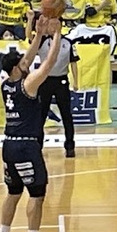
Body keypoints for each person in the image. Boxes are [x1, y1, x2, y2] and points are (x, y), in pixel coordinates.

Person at [0, 15, 63, 232]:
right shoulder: (28, 85)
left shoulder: (6, 83)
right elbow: (49, 63)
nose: (27, 63)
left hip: (8, 145)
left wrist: (39, 34)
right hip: (26, 146)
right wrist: (56, 34)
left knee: (13, 192)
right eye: (23, 63)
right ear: (16, 68)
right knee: (37, 193)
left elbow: (29, 59)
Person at [28, 14, 79, 158]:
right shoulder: (43, 40)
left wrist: (76, 81)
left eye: (56, 24)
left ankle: (70, 146)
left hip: (61, 81)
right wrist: (30, 20)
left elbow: (73, 62)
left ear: (61, 26)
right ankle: (38, 145)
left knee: (66, 115)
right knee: (41, 114)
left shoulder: (68, 43)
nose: (53, 27)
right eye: (50, 24)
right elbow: (29, 37)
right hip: (44, 81)